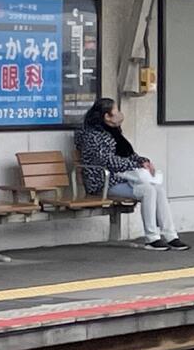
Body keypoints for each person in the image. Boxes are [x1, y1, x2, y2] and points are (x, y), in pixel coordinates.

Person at [75, 98, 188, 251]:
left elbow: (128, 154)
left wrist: (142, 161)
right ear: (107, 116)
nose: (120, 115)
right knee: (148, 190)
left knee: (158, 189)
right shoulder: (92, 136)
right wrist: (135, 165)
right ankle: (152, 238)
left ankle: (171, 235)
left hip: (121, 178)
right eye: (116, 112)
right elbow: (108, 161)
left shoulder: (113, 132)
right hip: (104, 182)